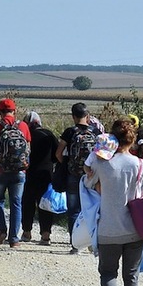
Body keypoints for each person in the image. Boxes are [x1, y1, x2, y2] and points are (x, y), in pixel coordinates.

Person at [84, 120, 143, 286]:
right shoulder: (141, 165)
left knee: (108, 272)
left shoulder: (103, 164)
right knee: (132, 276)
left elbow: (89, 183)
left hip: (108, 229)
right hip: (135, 229)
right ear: (131, 139)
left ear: (112, 138)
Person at [55, 102, 103, 254]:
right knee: (92, 209)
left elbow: (58, 153)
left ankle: (75, 245)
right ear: (87, 115)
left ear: (73, 116)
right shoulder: (96, 132)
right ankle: (91, 241)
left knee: (73, 210)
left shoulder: (69, 132)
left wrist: (68, 164)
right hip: (92, 176)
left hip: (73, 175)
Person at [0, 98, 31, 247]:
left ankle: (2, 231)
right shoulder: (23, 126)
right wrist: (24, 165)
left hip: (1, 171)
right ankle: (14, 239)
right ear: (15, 110)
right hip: (19, 171)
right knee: (16, 203)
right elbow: (28, 148)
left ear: (0, 112)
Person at [20, 111, 59, 245]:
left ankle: (26, 232)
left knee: (28, 203)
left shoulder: (26, 135)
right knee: (45, 204)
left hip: (29, 173)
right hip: (46, 174)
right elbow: (57, 155)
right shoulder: (48, 134)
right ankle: (45, 235)